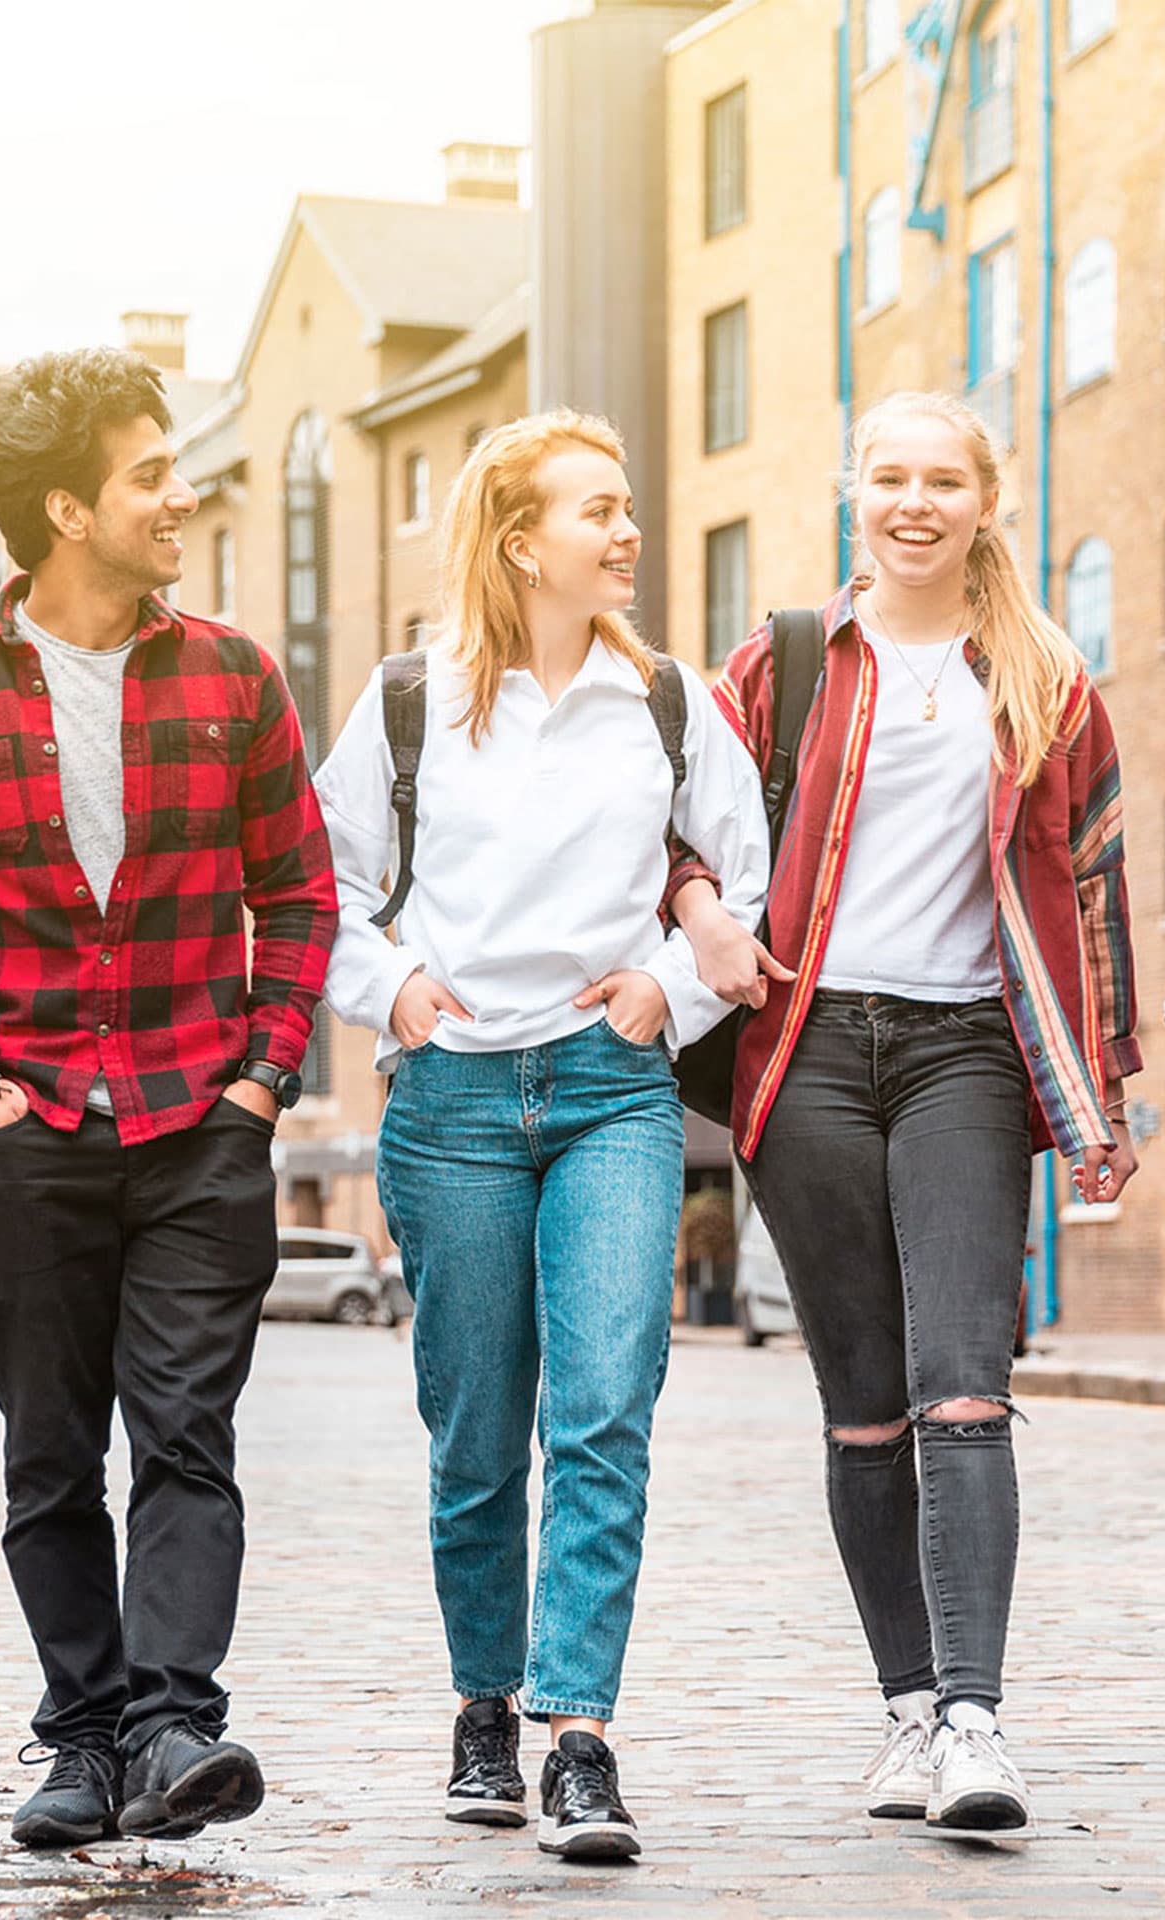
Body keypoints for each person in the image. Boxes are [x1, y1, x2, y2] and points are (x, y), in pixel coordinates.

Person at [0, 348, 338, 1848]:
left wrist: (265, 1077)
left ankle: (172, 1727)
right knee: (50, 1449)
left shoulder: (233, 673)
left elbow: (301, 890)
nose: (179, 491)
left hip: (203, 1119)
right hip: (36, 1128)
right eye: (149, 470)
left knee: (187, 1434)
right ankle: (81, 1741)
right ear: (67, 506)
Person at [671, 390, 1141, 1838]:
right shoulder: (789, 662)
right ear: (853, 496)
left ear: (986, 502)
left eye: (945, 480)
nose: (916, 502)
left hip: (966, 1057)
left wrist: (1103, 1092)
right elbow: (676, 819)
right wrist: (698, 915)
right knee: (866, 1406)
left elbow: (1100, 893)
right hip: (805, 1046)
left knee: (964, 1387)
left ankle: (977, 1721)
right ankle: (905, 1710)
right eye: (891, 478)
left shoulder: (1047, 679)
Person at [313, 410, 766, 1862]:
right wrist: (396, 990)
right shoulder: (407, 703)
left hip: (608, 1093)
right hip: (447, 1103)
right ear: (520, 541)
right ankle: (481, 1714)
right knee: (474, 1439)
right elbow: (319, 889)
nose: (628, 532)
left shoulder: (676, 706)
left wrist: (670, 989)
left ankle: (581, 1737)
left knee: (602, 1415)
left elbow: (742, 893)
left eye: (628, 506)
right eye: (599, 511)